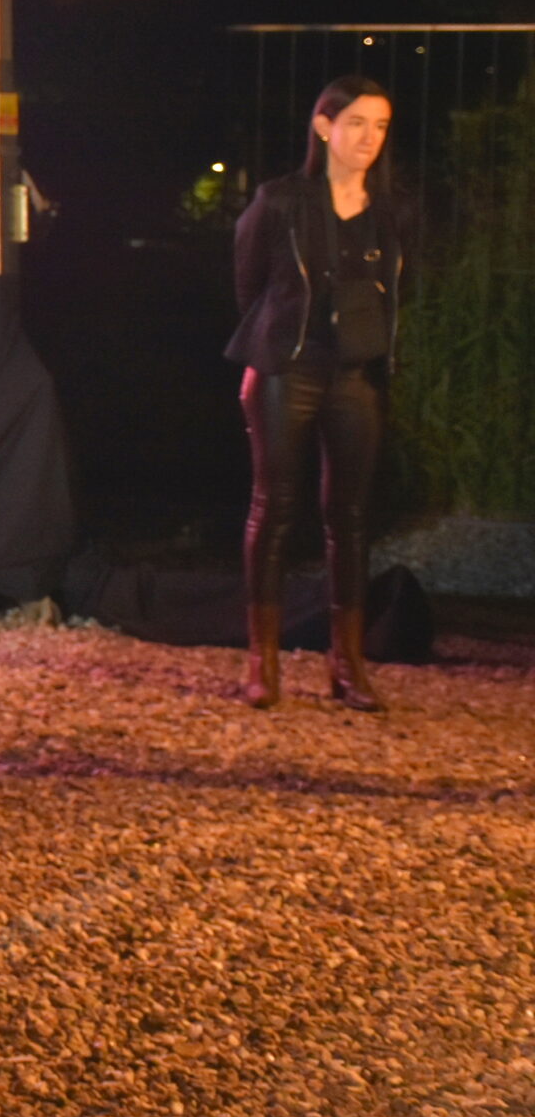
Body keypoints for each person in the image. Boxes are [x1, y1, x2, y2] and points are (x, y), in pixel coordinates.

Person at [226, 73, 409, 712]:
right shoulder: (281, 201)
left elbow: (398, 288)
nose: (369, 137)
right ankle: (262, 660)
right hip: (288, 368)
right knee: (274, 506)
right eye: (356, 123)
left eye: (380, 125)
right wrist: (279, 340)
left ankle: (347, 663)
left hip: (356, 372)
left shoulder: (390, 208)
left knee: (351, 516)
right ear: (325, 126)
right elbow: (249, 283)